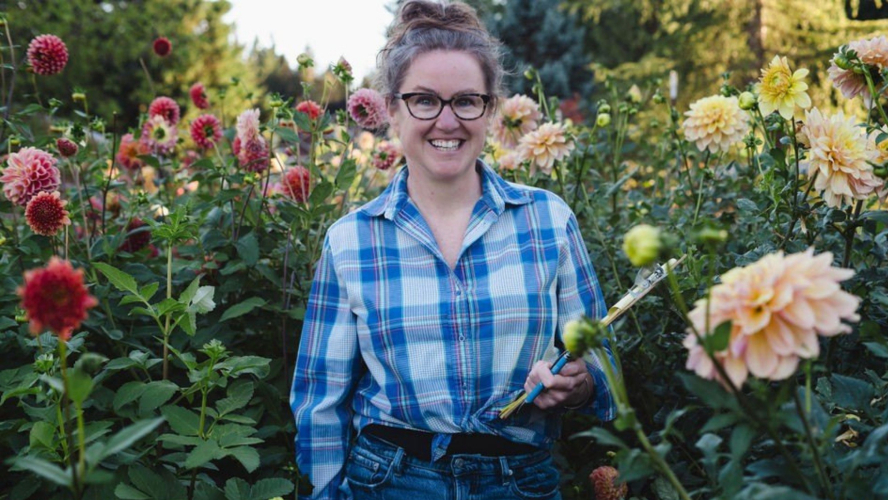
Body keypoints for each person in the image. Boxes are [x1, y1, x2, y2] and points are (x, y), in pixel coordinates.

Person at [290, 1, 617, 498]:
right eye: (424, 100)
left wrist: (582, 383)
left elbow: (600, 360)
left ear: (491, 109)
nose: (447, 121)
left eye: (467, 100)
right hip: (390, 480)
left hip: (520, 481)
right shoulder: (351, 241)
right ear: (394, 110)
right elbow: (320, 401)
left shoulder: (548, 221)